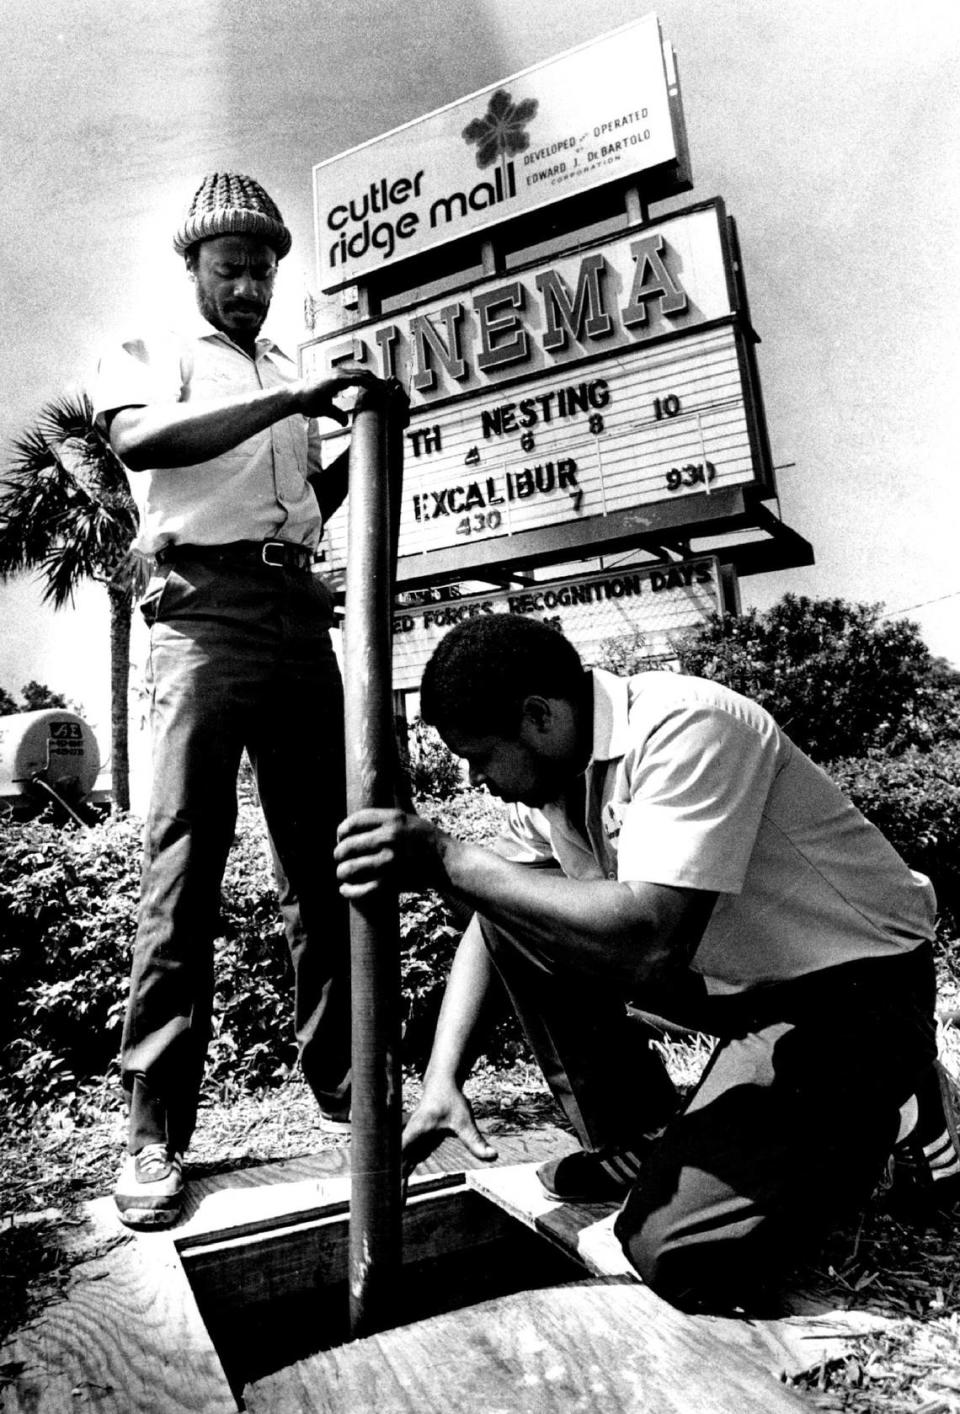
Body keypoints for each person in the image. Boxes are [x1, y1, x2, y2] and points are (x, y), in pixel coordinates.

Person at [334, 613, 960, 1314]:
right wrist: (442, 1080)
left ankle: (899, 1101)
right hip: (731, 984)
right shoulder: (547, 783)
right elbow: (496, 923)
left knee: (672, 1253)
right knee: (519, 908)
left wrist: (448, 858)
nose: (477, 780)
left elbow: (647, 937)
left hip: (851, 989)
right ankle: (642, 1135)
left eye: (480, 756)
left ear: (539, 716)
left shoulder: (689, 724)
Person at [92, 171, 382, 1228]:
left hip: (293, 612)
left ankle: (351, 1088)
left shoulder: (289, 372)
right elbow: (140, 442)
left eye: (264, 267)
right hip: (198, 617)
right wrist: (291, 400)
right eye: (232, 267)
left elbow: (307, 501)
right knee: (185, 864)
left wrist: (356, 432)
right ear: (195, 268)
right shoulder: (154, 351)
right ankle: (153, 1129)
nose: (250, 284)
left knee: (327, 859)